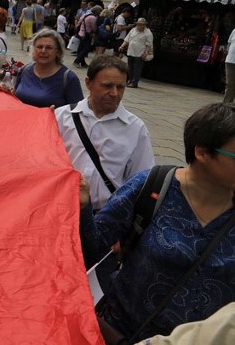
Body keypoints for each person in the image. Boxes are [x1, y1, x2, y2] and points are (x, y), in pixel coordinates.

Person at [79, 103, 235, 342]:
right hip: (121, 335)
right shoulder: (151, 186)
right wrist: (83, 207)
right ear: (202, 152)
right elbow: (93, 248)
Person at [55, 55, 155, 211]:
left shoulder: (135, 128)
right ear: (88, 83)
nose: (114, 93)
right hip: (60, 208)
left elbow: (142, 181)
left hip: (104, 217)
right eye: (107, 86)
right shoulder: (61, 116)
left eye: (121, 87)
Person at [12, 29, 84, 108]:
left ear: (58, 52)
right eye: (39, 47)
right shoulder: (24, 70)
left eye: (49, 48)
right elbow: (14, 97)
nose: (43, 51)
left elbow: (78, 113)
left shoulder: (69, 78)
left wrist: (57, 115)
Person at [120, 17, 154, 88]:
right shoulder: (133, 30)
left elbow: (149, 45)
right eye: (138, 24)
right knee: (130, 68)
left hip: (140, 53)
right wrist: (122, 46)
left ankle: (134, 82)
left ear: (144, 25)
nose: (140, 26)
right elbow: (127, 39)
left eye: (141, 25)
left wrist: (146, 53)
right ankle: (130, 80)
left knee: (137, 69)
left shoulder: (148, 33)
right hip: (131, 51)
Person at [225, 26, 235, 103]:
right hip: (231, 60)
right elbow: (229, 44)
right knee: (230, 84)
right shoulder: (234, 30)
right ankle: (227, 105)